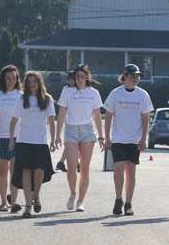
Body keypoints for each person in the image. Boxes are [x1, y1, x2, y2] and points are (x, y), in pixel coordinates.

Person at [103, 64, 154, 216]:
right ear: (124, 77)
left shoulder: (143, 95)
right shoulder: (115, 94)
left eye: (138, 76)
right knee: (118, 168)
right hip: (118, 138)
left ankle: (128, 203)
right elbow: (109, 115)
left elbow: (146, 118)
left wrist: (144, 138)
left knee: (131, 172)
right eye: (132, 76)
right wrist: (107, 138)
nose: (135, 79)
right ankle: (118, 199)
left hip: (134, 139)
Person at [55, 64, 104, 212]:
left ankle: (80, 201)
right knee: (71, 167)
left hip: (87, 131)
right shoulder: (67, 91)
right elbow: (62, 113)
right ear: (74, 79)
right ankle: (72, 193)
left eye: (82, 77)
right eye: (77, 77)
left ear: (87, 77)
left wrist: (101, 136)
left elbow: (97, 115)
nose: (79, 79)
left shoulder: (93, 93)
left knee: (85, 168)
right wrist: (57, 135)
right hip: (71, 130)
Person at [9, 71, 57, 218]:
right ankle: (28, 206)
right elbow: (14, 120)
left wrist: (53, 139)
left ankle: (36, 195)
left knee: (39, 171)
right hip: (24, 141)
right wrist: (12, 138)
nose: (31, 85)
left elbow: (51, 120)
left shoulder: (47, 99)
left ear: (39, 82)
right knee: (26, 171)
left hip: (40, 141)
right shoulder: (21, 99)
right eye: (29, 82)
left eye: (34, 81)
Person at [0, 65, 22, 213]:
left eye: (14, 78)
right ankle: (3, 201)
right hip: (1, 138)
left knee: (14, 171)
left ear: (17, 79)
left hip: (17, 138)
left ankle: (14, 201)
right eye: (8, 78)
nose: (11, 81)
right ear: (3, 79)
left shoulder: (21, 95)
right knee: (2, 171)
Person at [56, 71, 75, 173]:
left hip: (78, 120)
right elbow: (63, 106)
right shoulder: (66, 89)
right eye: (70, 79)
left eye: (73, 79)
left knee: (72, 144)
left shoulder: (80, 89)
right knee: (71, 144)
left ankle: (62, 162)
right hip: (69, 121)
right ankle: (64, 162)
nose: (72, 81)